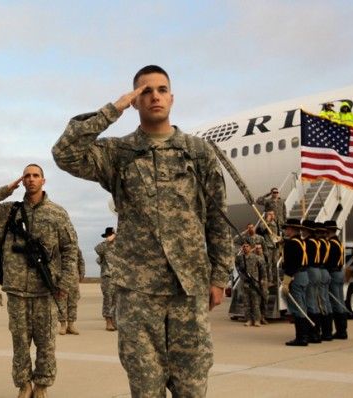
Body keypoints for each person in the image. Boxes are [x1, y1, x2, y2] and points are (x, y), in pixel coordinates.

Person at [52, 65, 233, 397]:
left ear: (172, 97)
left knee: (192, 384)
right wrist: (112, 109)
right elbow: (65, 153)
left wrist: (219, 276)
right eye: (145, 91)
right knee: (144, 385)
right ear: (135, 100)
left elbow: (217, 219)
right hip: (137, 290)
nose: (155, 96)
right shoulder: (119, 153)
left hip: (188, 287)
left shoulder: (198, 152)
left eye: (162, 90)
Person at [0, 164, 77, 398]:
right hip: (16, 290)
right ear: (22, 181)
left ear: (43, 181)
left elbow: (69, 250)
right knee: (20, 343)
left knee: (46, 343)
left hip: (46, 291)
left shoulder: (57, 213)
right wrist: (6, 189)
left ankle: (42, 385)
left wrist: (64, 284)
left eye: (36, 175)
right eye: (27, 176)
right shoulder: (9, 212)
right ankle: (24, 385)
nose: (31, 179)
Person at [281, 218, 309, 346]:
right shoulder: (302, 242)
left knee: (297, 307)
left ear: (291, 229)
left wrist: (286, 281)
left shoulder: (291, 244)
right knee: (302, 305)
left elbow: (291, 264)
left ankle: (301, 338)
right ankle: (305, 335)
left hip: (295, 276)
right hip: (304, 274)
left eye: (287, 228)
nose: (285, 230)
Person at [324, 220, 348, 339]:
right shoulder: (338, 243)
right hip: (339, 271)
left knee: (335, 302)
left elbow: (329, 260)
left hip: (333, 272)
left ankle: (341, 330)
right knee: (340, 300)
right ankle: (342, 329)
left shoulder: (331, 244)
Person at [301, 219, 322, 344]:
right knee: (315, 302)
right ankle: (317, 331)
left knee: (310, 303)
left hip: (310, 270)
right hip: (318, 269)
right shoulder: (318, 242)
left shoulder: (308, 242)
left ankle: (313, 333)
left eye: (303, 229)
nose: (302, 231)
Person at [57, 248, 86, 335]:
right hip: (61, 279)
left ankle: (71, 325)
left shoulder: (76, 249)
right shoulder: (58, 248)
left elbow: (81, 261)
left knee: (73, 302)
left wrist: (82, 273)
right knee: (61, 302)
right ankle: (63, 325)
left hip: (74, 279)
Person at [95, 227, 117, 331]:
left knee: (116, 300)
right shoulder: (105, 246)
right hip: (107, 277)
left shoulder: (119, 246)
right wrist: (107, 240)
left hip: (118, 277)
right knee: (108, 299)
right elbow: (97, 249)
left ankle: (115, 321)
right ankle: (108, 322)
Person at [237, 242, 262, 327]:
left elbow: (262, 269)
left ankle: (257, 320)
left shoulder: (256, 258)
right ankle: (248, 320)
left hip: (254, 282)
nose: (245, 248)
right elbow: (236, 265)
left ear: (250, 247)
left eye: (247, 246)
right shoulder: (240, 258)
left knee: (255, 302)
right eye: (243, 246)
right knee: (246, 303)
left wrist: (262, 280)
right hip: (245, 283)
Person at [254, 243, 270, 325]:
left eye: (259, 248)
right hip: (255, 281)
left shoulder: (265, 257)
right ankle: (257, 318)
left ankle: (263, 317)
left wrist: (269, 280)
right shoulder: (253, 258)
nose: (258, 249)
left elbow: (269, 268)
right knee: (256, 300)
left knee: (265, 299)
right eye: (256, 248)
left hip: (264, 280)